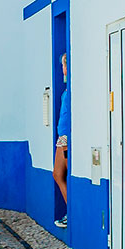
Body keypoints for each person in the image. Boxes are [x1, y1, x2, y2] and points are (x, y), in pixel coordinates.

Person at [53, 53, 70, 226]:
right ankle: (70, 211)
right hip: (62, 137)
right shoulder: (67, 89)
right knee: (58, 174)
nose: (62, 69)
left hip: (65, 138)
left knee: (62, 174)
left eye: (64, 65)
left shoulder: (71, 89)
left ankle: (71, 213)